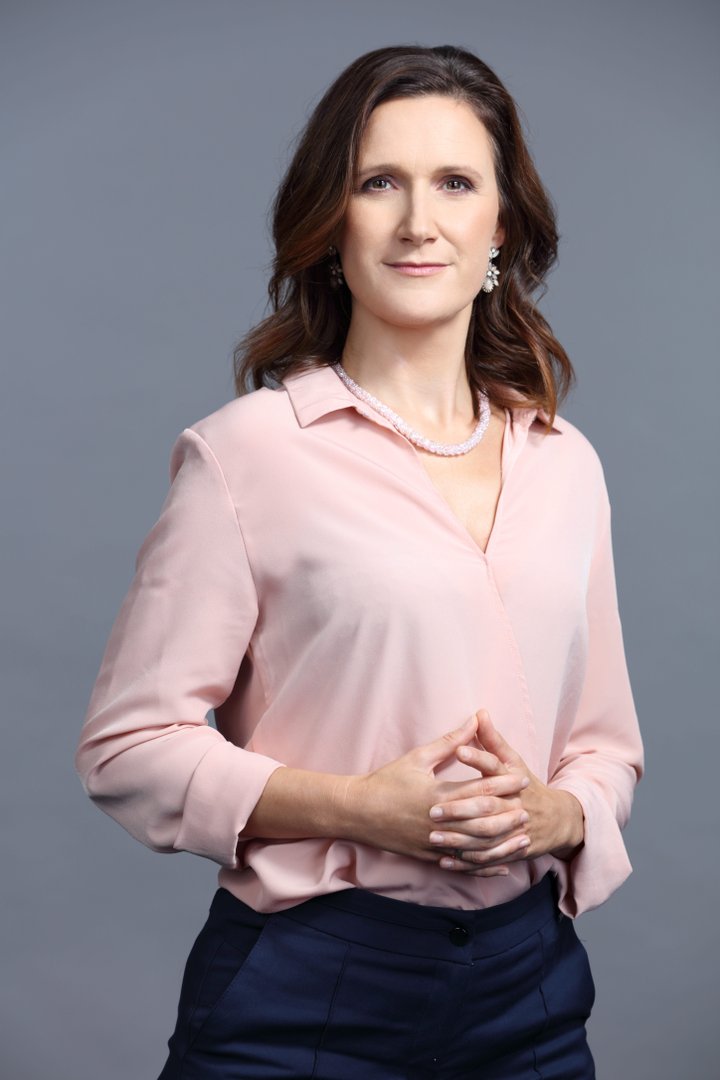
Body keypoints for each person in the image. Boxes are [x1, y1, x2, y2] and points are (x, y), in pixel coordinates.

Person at [74, 43, 644, 1079]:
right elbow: (128, 747)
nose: (419, 221)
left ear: (500, 227)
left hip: (530, 987)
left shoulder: (568, 463)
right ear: (333, 225)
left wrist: (558, 813)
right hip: (308, 984)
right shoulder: (246, 454)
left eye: (455, 183)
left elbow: (604, 747)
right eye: (380, 182)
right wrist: (357, 810)